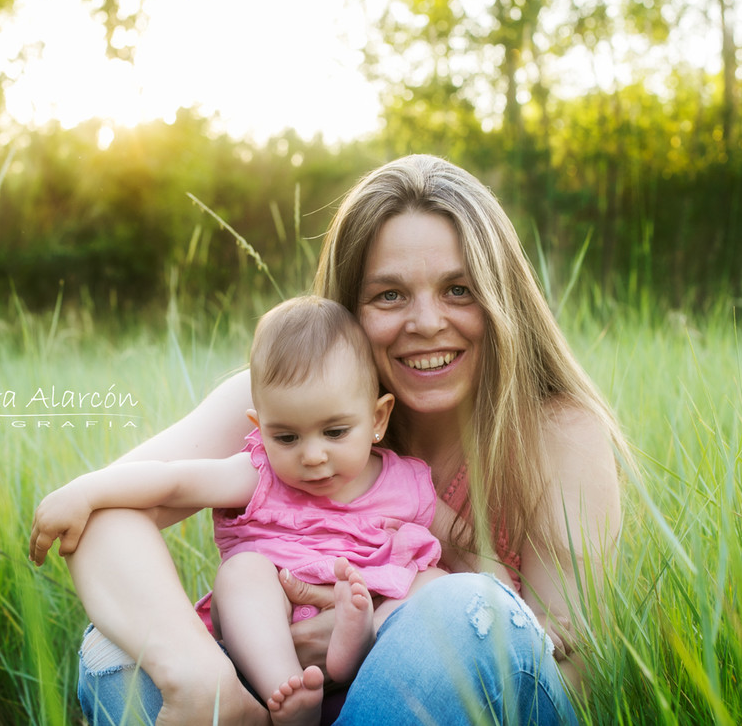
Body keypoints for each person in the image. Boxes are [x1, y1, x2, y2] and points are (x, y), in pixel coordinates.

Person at [57, 154, 628, 726]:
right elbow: (98, 518)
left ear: (502, 298)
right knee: (117, 654)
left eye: (459, 290)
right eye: (390, 295)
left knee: (458, 607)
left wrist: (380, 639)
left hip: (460, 700)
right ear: (348, 308)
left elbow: (572, 678)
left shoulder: (558, 433)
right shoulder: (284, 407)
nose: (427, 322)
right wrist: (203, 674)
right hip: (284, 693)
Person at [30, 296, 444, 726]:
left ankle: (357, 641)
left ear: (378, 418)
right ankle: (287, 692)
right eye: (286, 438)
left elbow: (468, 558)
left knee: (432, 580)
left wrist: (389, 606)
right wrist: (87, 490)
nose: (312, 456)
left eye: (335, 432)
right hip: (270, 630)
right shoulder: (260, 475)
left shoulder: (407, 483)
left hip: (368, 619)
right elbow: (175, 480)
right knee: (243, 570)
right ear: (259, 427)